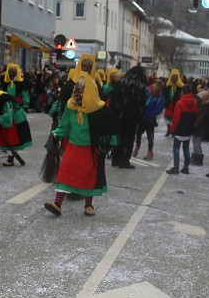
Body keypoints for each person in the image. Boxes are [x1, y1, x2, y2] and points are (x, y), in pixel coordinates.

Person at [43, 75, 118, 217]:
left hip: (91, 149)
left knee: (89, 176)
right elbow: (64, 125)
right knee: (65, 171)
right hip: (73, 146)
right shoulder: (71, 107)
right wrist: (56, 133)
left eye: (81, 91)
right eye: (77, 91)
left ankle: (89, 204)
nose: (78, 94)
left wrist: (110, 142)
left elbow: (110, 128)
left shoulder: (99, 109)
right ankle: (57, 203)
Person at [108, 66, 146, 169]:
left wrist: (113, 114)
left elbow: (113, 100)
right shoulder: (140, 85)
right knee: (128, 139)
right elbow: (141, 104)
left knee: (119, 136)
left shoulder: (120, 82)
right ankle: (124, 161)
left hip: (119, 116)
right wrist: (141, 120)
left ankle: (115, 159)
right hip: (132, 117)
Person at [167, 84, 197, 175]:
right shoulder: (194, 102)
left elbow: (176, 118)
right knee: (186, 149)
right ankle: (186, 168)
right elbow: (196, 116)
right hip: (188, 129)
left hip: (180, 129)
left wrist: (172, 129)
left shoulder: (179, 103)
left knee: (176, 148)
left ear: (182, 92)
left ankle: (176, 167)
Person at [135, 81, 164, 161]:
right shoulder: (146, 91)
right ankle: (137, 146)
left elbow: (159, 109)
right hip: (141, 117)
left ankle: (150, 151)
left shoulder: (160, 97)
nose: (155, 88)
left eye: (158, 87)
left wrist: (150, 114)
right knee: (138, 133)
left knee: (150, 136)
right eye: (155, 85)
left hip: (150, 119)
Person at [162, 69, 182, 135]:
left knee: (175, 118)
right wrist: (165, 102)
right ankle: (168, 130)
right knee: (167, 118)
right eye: (172, 77)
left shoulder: (180, 87)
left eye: (175, 77)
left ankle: (174, 131)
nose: (174, 79)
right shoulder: (168, 86)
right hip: (169, 104)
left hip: (177, 105)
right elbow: (164, 94)